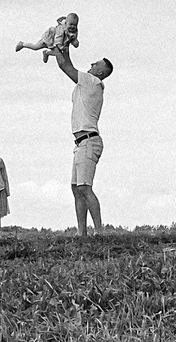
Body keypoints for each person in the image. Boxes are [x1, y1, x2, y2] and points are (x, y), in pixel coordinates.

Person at [52, 49, 114, 233]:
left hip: (88, 140)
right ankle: (81, 232)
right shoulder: (85, 83)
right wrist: (64, 47)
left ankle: (99, 231)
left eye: (95, 65)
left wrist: (57, 45)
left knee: (85, 188)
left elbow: (65, 66)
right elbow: (68, 63)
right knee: (76, 188)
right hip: (81, 142)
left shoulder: (92, 81)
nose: (91, 65)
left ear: (101, 72)